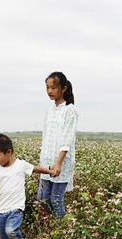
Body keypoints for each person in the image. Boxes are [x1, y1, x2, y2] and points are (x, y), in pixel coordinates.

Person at [37, 71, 78, 218]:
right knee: (41, 200)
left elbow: (67, 139)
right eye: (47, 88)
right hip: (46, 163)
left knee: (55, 200)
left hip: (61, 163)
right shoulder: (49, 111)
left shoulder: (70, 110)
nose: (49, 91)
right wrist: (42, 165)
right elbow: (45, 138)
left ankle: (61, 234)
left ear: (64, 88)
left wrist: (58, 163)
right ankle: (49, 231)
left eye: (53, 88)